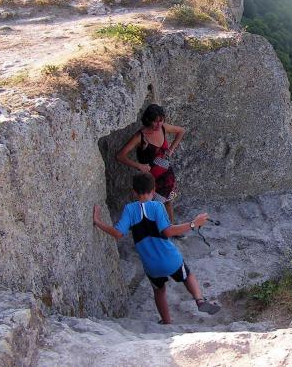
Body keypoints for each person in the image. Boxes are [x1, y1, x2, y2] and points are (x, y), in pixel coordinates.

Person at [92, 173, 221, 323]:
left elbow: (118, 233)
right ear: (153, 190)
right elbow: (168, 231)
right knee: (188, 276)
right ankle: (199, 300)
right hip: (171, 259)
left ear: (133, 191)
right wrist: (193, 223)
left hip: (151, 265)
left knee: (159, 291)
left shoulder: (129, 209)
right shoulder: (157, 206)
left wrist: (98, 221)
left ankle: (166, 321)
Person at [117, 104, 184, 224]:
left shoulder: (163, 128)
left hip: (167, 175)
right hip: (150, 179)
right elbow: (119, 156)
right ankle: (156, 233)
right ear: (148, 120)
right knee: (151, 207)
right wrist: (139, 166)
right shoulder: (140, 136)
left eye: (161, 120)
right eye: (155, 121)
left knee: (168, 202)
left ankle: (171, 227)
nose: (158, 124)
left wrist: (172, 148)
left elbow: (181, 131)